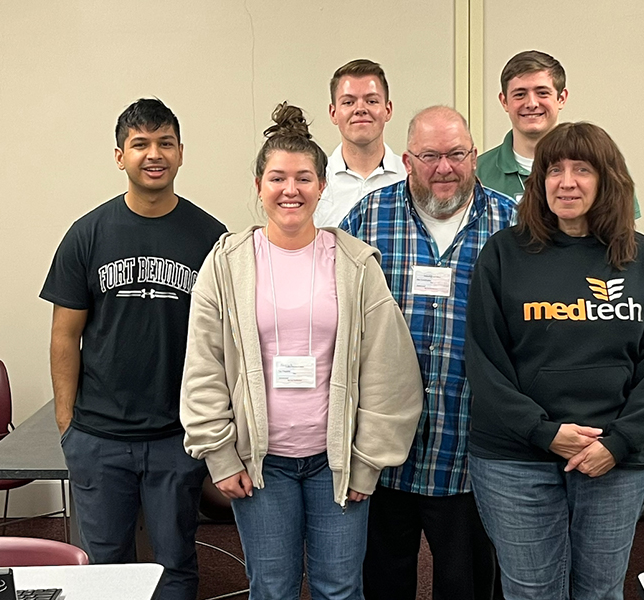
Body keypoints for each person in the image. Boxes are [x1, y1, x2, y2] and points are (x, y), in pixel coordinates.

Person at [180, 103, 423, 600]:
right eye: (277, 178)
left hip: (335, 462)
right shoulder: (226, 265)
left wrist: (368, 460)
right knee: (272, 588)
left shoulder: (355, 264)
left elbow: (389, 371)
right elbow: (203, 366)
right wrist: (220, 455)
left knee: (339, 587)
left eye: (304, 178)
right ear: (258, 185)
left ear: (322, 186)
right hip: (259, 464)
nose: (290, 190)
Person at [465, 122, 644, 600]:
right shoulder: (503, 254)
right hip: (515, 458)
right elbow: (484, 360)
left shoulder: (641, 258)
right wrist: (544, 432)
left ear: (607, 179)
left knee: (600, 591)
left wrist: (620, 441)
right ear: (538, 182)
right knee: (531, 592)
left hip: (614, 459)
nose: (567, 182)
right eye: (554, 170)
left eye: (582, 169)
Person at [40, 98, 226, 600]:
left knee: (176, 563)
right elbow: (65, 335)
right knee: (104, 569)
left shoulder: (212, 238)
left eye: (165, 142)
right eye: (140, 143)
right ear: (119, 156)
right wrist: (67, 425)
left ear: (181, 153)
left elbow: (225, 341)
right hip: (99, 437)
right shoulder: (87, 234)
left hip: (175, 434)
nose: (153, 153)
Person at [340, 105, 517, 600]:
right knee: (383, 580)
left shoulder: (513, 223)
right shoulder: (369, 217)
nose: (444, 168)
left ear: (475, 156)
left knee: (468, 584)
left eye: (457, 154)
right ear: (407, 159)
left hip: (470, 446)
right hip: (385, 447)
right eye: (430, 155)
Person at [477, 50, 640, 218]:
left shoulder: (600, 162)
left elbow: (622, 232)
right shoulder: (478, 173)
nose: (531, 103)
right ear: (504, 102)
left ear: (561, 98)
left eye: (542, 93)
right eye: (520, 94)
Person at [313, 59, 406, 227]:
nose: (360, 109)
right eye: (348, 102)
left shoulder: (410, 178)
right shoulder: (313, 182)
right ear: (333, 113)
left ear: (388, 110)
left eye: (371, 101)